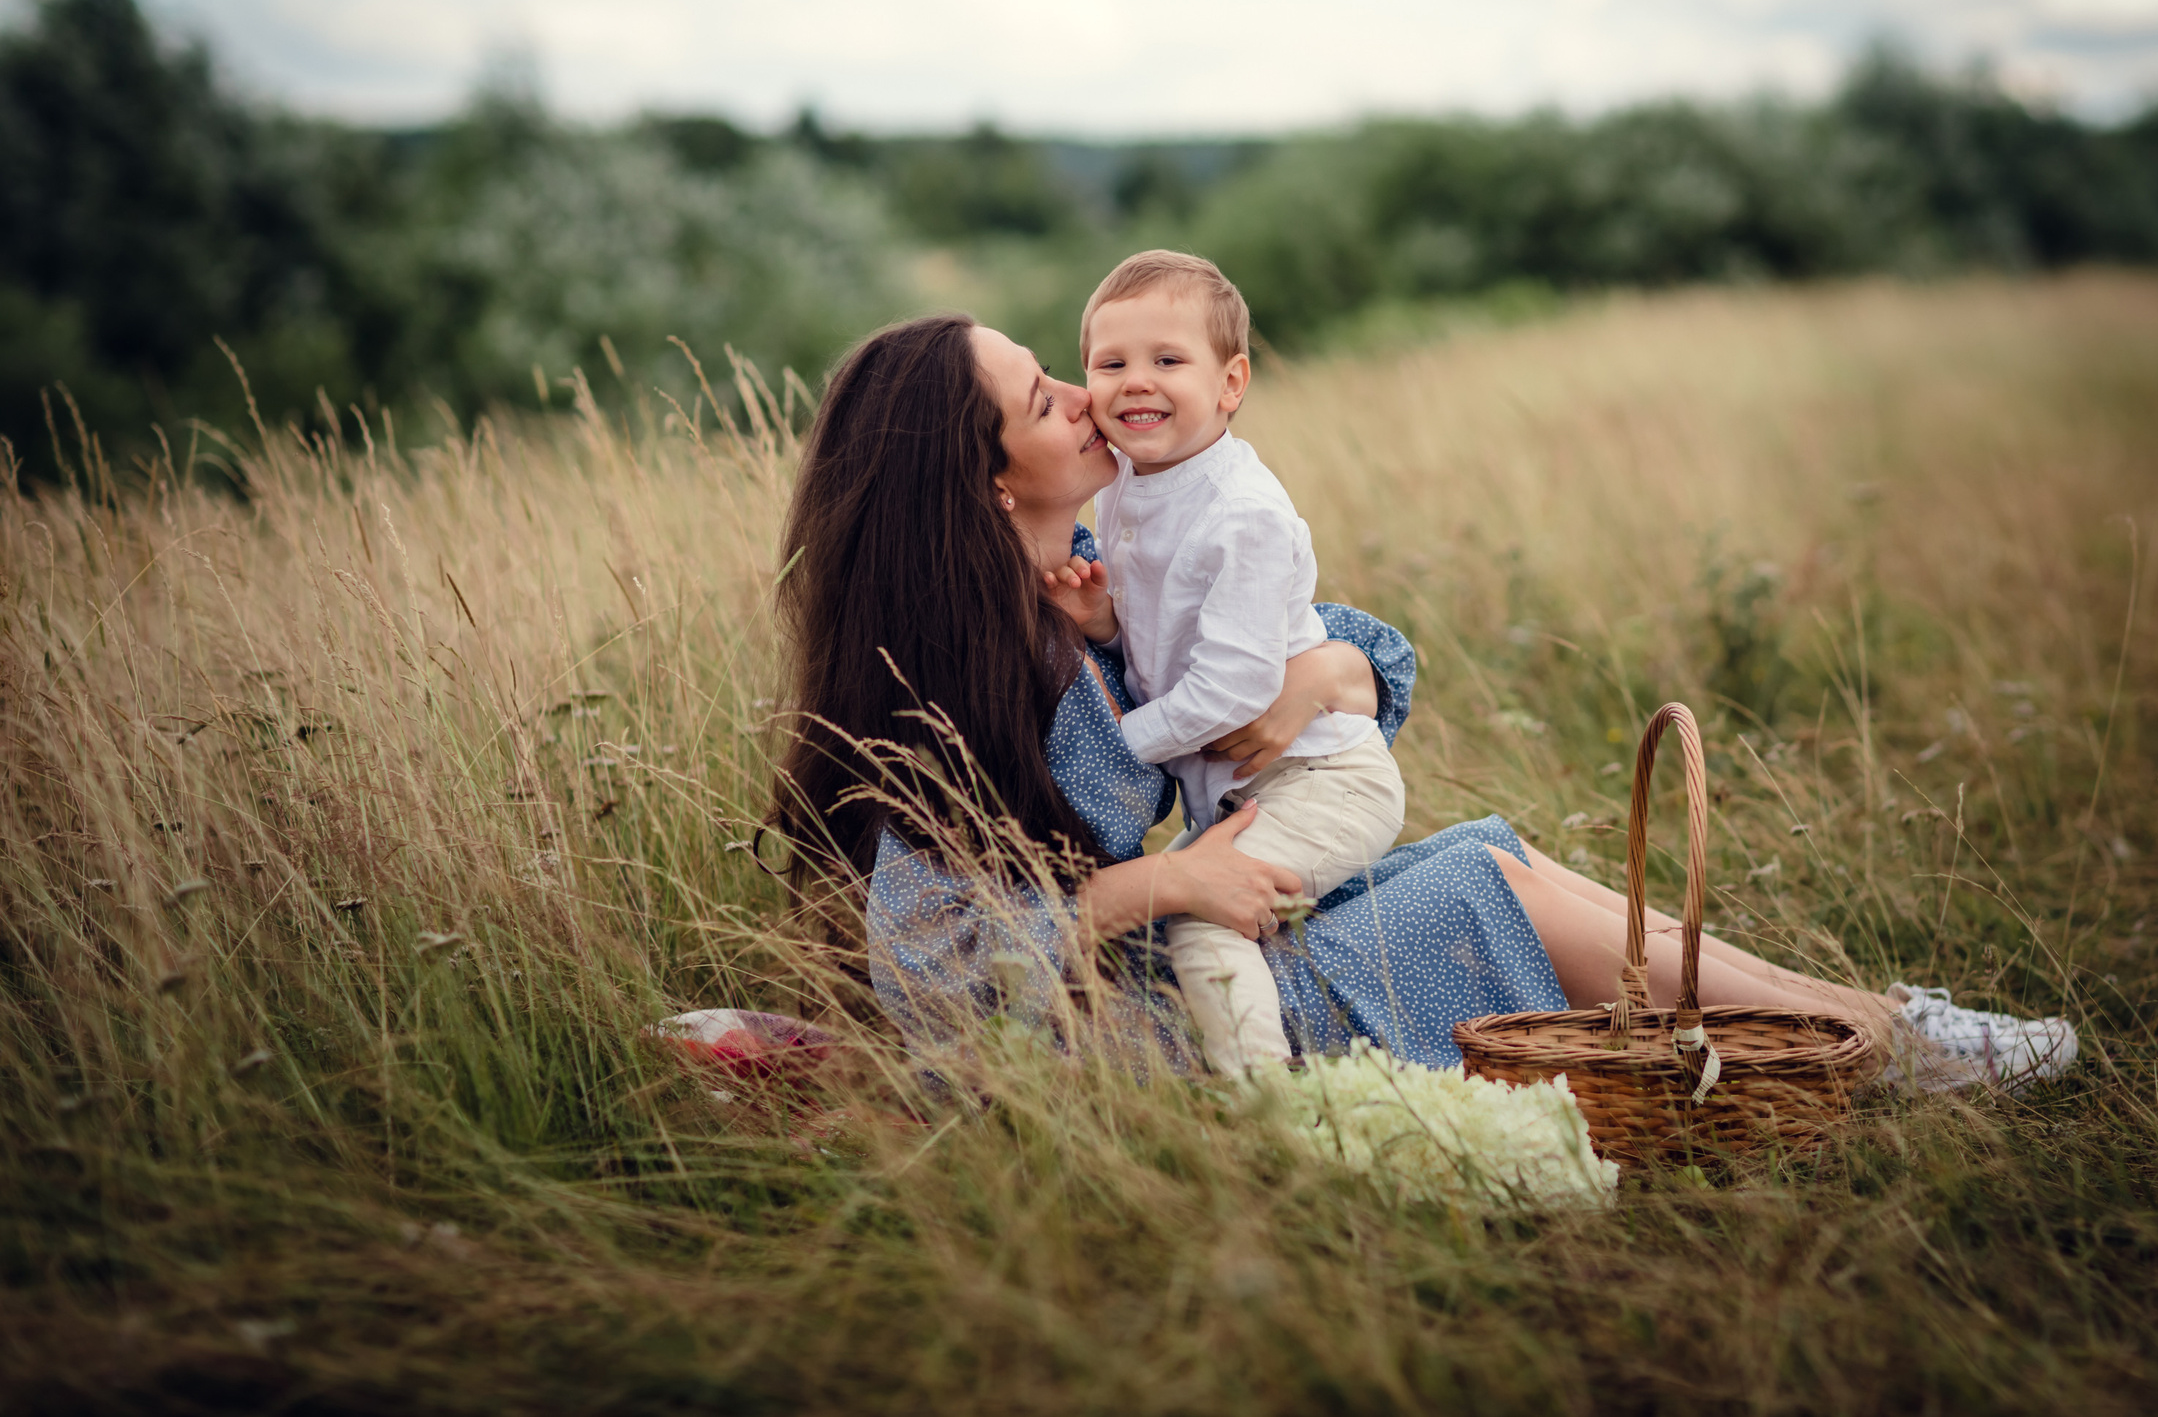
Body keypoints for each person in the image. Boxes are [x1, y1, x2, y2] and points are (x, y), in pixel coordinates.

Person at [766, 312, 2078, 1090]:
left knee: (1482, 847)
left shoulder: (1090, 594)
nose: (1087, 395)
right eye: (1045, 399)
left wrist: (1331, 677)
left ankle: (1870, 1029)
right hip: (1141, 1051)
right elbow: (935, 976)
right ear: (990, 483)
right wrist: (1160, 887)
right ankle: (1882, 1049)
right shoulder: (940, 694)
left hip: (1179, 972)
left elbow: (1346, 651)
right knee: (1481, 887)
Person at [1039, 251, 1405, 1076]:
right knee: (1214, 918)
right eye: (1111, 363)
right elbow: (1170, 626)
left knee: (1199, 922)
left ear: (1231, 383)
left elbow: (1234, 688)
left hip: (1323, 781)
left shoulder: (1243, 514)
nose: (1137, 381)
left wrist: (1118, 743)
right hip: (1247, 792)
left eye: (1168, 361)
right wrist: (1104, 616)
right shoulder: (1128, 479)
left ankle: (1261, 1099)